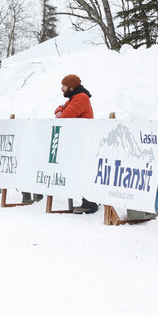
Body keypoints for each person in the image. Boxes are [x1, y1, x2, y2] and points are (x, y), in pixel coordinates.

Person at [55, 74, 97, 214]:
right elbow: (60, 109)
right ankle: (89, 201)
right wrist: (61, 110)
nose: (62, 89)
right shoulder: (75, 97)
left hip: (84, 141)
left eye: (64, 86)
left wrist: (62, 111)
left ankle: (90, 203)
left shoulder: (80, 98)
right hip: (79, 141)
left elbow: (66, 116)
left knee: (84, 171)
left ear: (71, 87)